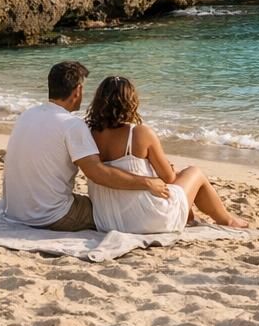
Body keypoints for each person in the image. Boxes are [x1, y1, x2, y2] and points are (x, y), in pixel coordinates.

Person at [3, 62, 168, 231]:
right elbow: (98, 174)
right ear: (78, 91)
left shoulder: (27, 115)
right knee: (107, 212)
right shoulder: (72, 124)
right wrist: (147, 182)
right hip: (50, 217)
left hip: (14, 212)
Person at [86, 76, 249, 232]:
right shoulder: (139, 133)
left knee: (174, 182)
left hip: (109, 220)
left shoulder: (88, 135)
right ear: (130, 102)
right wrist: (167, 170)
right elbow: (169, 178)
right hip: (146, 219)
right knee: (194, 172)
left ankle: (190, 216)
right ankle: (226, 219)